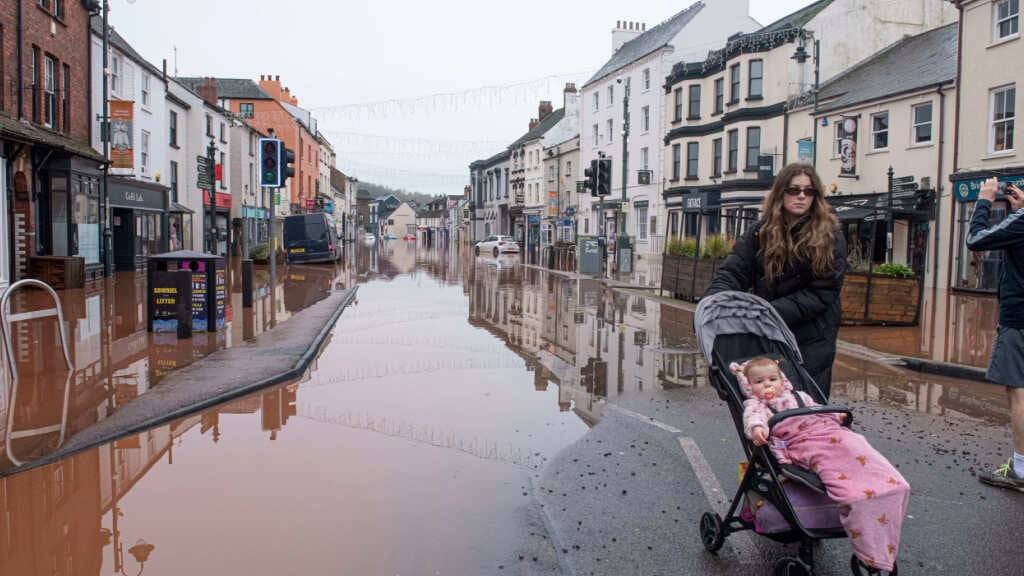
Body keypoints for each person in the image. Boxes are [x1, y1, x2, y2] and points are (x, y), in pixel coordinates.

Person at [736, 357, 910, 574]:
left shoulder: (800, 396)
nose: (768, 384)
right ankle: (857, 499)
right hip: (801, 441)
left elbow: (820, 409)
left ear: (783, 380)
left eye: (773, 379)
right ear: (749, 386)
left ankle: (885, 484)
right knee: (836, 467)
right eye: (759, 381)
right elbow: (753, 420)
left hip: (830, 432)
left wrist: (837, 415)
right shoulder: (757, 405)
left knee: (858, 445)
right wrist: (757, 430)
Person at [706, 163, 847, 398]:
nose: (801, 196)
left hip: (811, 337)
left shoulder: (830, 235)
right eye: (794, 190)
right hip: (768, 333)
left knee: (805, 406)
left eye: (809, 191)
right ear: (780, 192)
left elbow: (823, 292)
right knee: (766, 403)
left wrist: (767, 311)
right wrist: (713, 303)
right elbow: (734, 271)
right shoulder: (760, 232)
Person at [966, 178, 1024, 491]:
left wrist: (984, 201)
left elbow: (975, 239)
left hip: (1020, 319)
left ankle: (1021, 470)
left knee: (1019, 391)